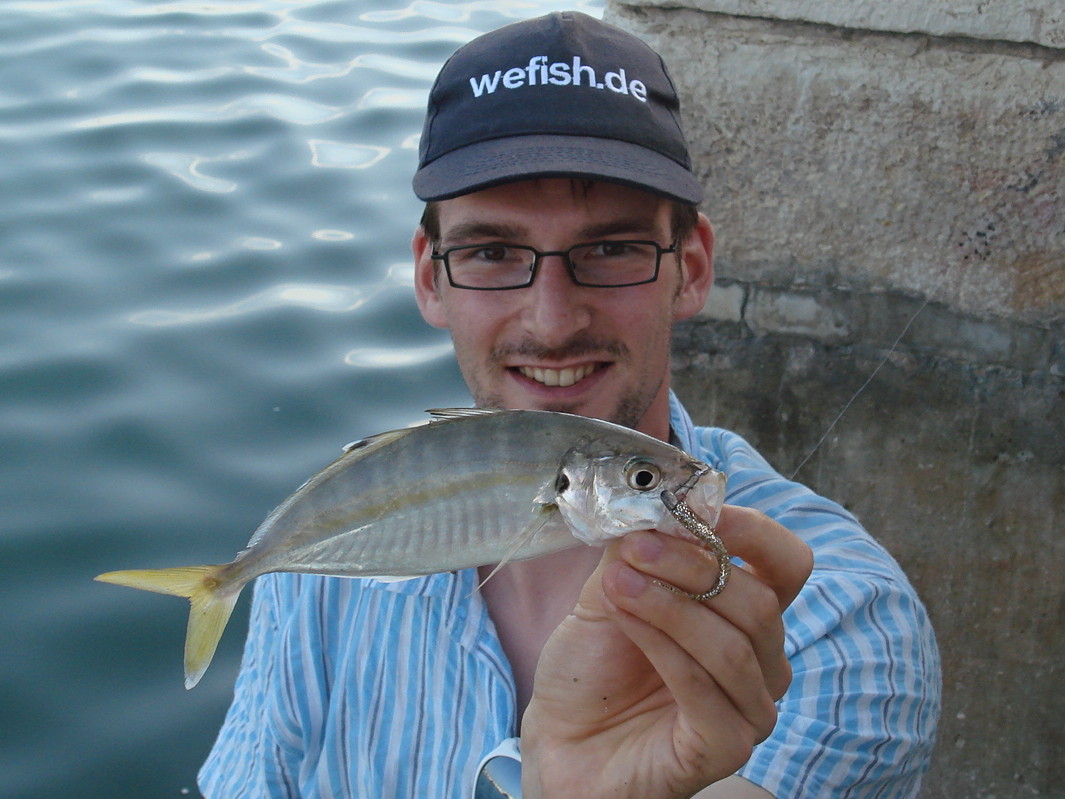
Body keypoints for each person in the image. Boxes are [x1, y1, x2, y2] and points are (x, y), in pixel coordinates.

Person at [199, 11, 940, 799]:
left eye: (610, 249)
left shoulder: (833, 620)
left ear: (689, 269)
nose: (551, 322)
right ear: (429, 277)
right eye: (492, 252)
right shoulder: (322, 552)